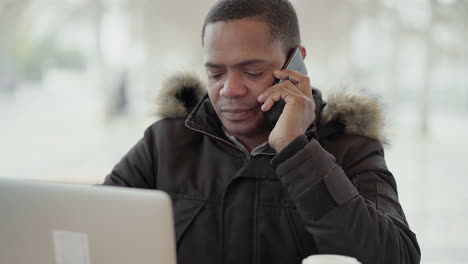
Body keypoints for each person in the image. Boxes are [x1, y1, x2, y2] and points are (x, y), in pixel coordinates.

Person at [103, 0, 421, 263]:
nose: (229, 89)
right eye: (214, 73)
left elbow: (397, 256)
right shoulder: (166, 142)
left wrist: (297, 151)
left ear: (296, 62)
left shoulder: (348, 146)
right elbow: (94, 224)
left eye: (252, 72)